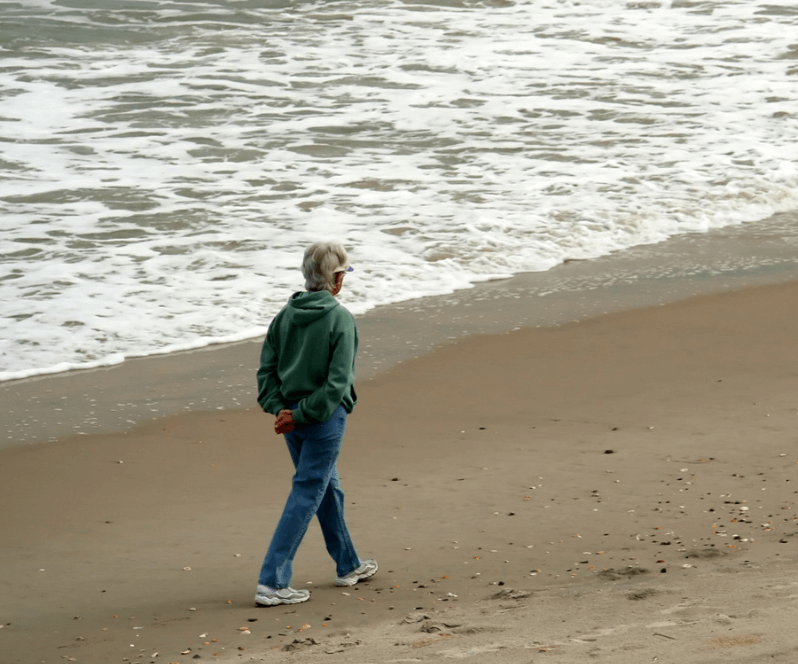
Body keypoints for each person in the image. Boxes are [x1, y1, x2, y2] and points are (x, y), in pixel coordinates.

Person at [254, 242, 377, 606]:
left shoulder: (284, 316)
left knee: (326, 487)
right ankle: (272, 582)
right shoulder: (340, 318)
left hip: (292, 418)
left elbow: (266, 373)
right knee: (308, 491)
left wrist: (281, 409)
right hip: (321, 418)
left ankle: (347, 564)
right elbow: (337, 383)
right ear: (336, 280)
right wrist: (302, 413)